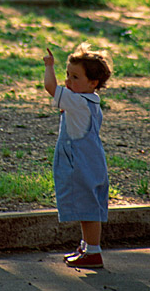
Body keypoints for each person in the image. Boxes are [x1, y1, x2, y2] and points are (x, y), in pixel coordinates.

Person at [43, 42, 112, 269]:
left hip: (79, 161)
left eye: (74, 77)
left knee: (88, 208)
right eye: (67, 75)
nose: (68, 82)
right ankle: (87, 247)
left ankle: (93, 251)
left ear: (93, 83)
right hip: (92, 159)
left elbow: (50, 88)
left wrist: (49, 66)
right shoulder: (91, 101)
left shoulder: (77, 102)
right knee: (88, 204)